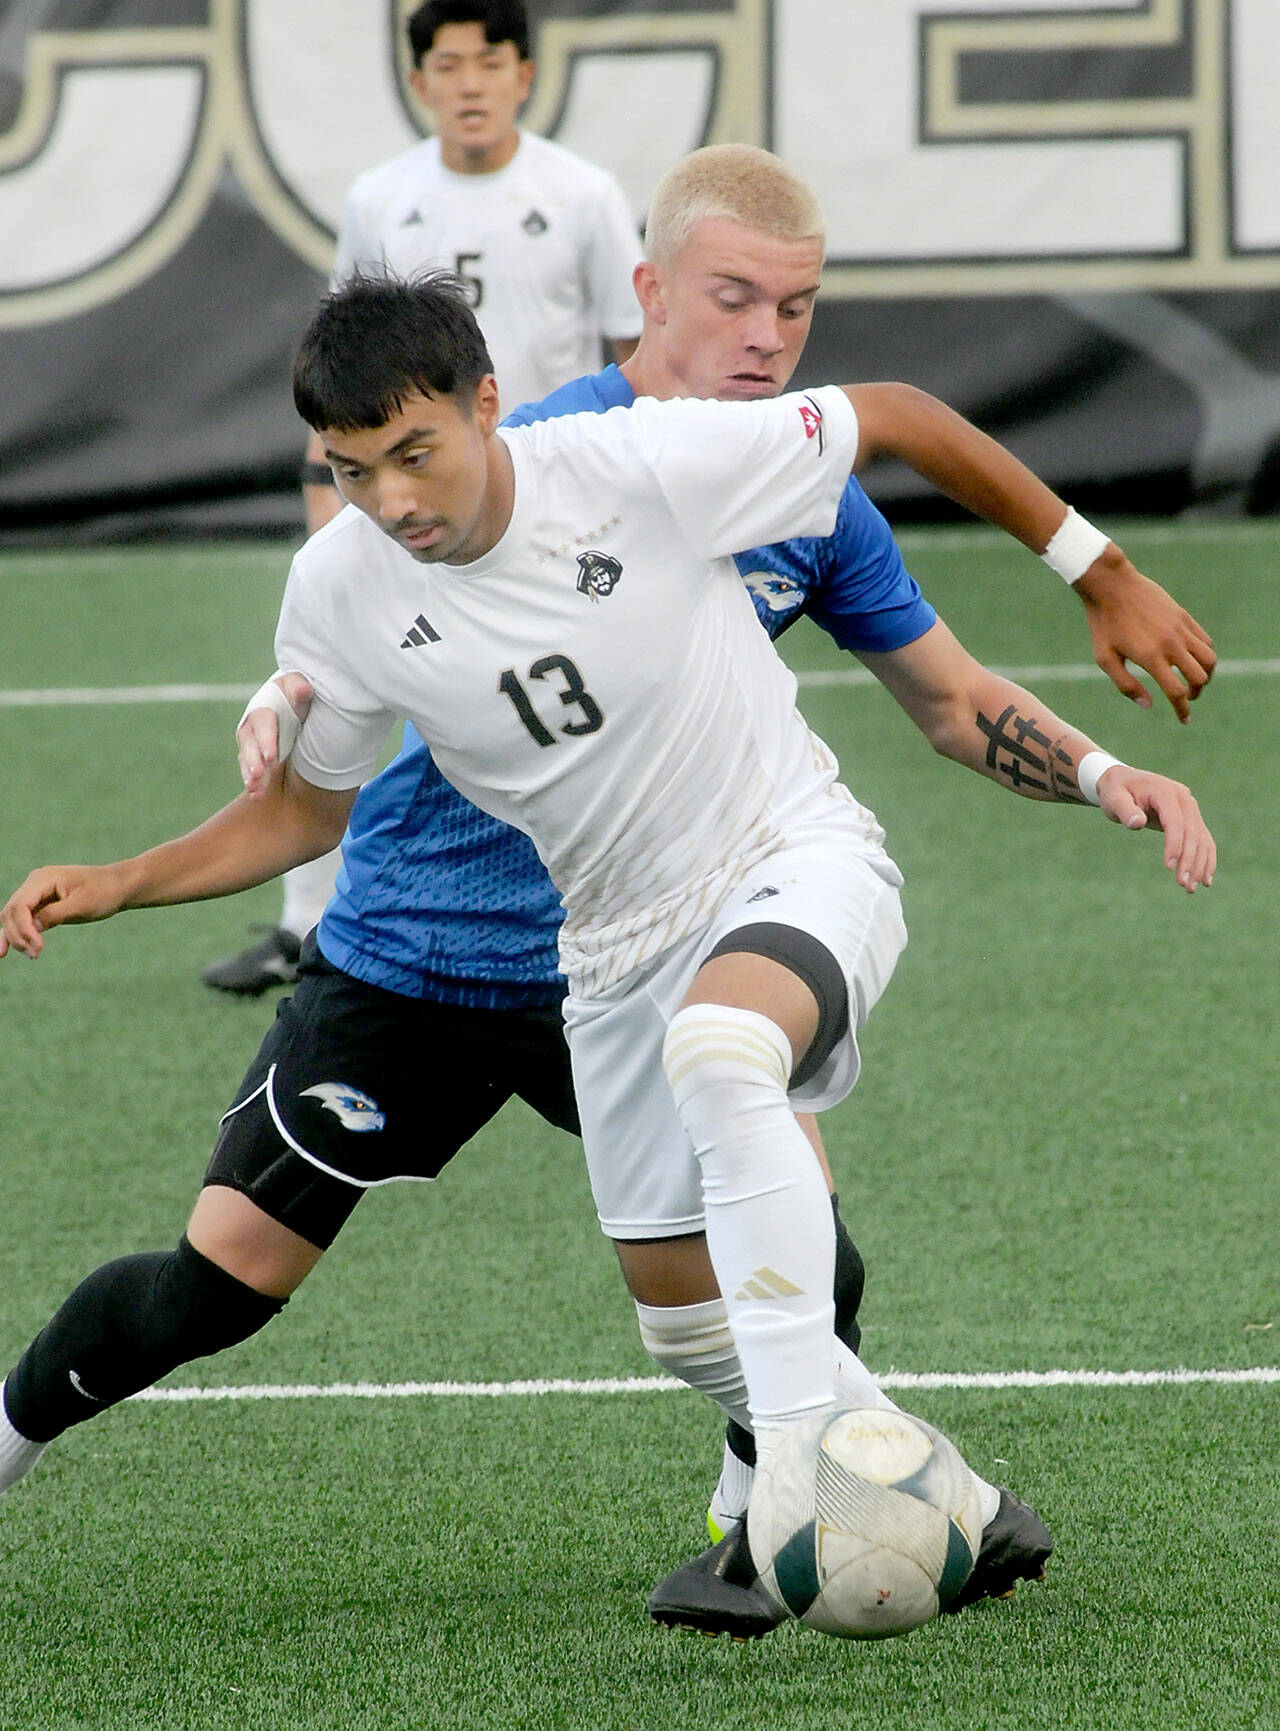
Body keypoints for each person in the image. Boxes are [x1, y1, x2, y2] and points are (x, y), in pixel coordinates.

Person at [0, 247, 1214, 1637]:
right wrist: (122, 876)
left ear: (486, 403)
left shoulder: (643, 462)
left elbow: (901, 415)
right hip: (602, 948)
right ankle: (953, 1494)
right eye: (350, 470)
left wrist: (1097, 578)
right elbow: (301, 809)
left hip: (785, 857)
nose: (392, 499)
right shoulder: (340, 585)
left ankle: (801, 1463)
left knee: (725, 1048)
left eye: (415, 453)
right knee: (677, 1317)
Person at [204, 0, 644, 995]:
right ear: (419, 85)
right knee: (328, 705)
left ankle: (607, 913)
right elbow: (344, 367)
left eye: (489, 62)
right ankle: (306, 927)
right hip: (412, 513)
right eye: (446, 66)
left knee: (558, 718)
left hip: (547, 511)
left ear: (524, 74)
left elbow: (632, 358)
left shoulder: (582, 195)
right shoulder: (381, 198)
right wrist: (332, 505)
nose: (470, 84)